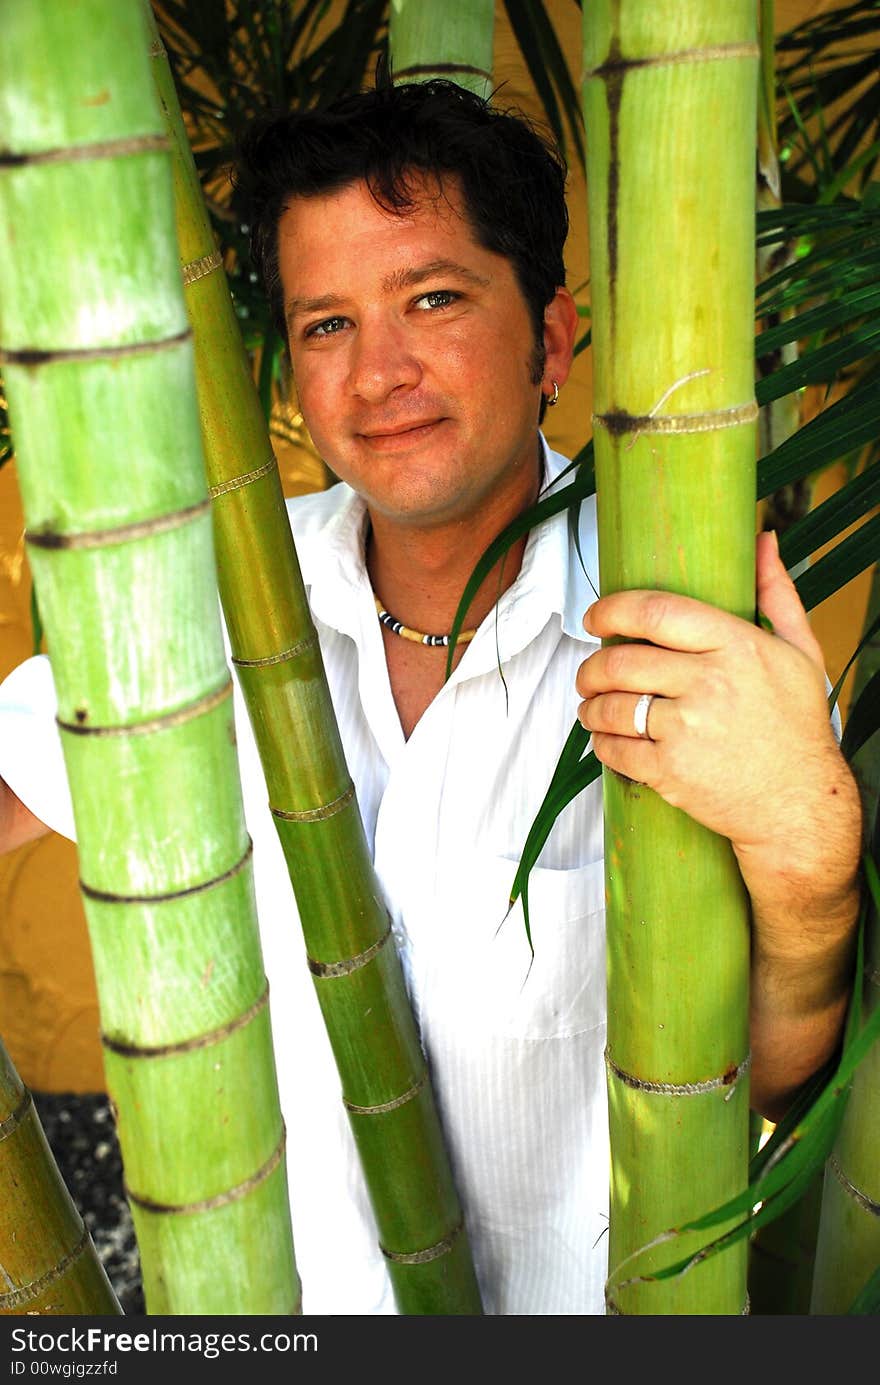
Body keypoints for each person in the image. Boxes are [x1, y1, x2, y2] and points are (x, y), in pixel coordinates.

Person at [0, 78, 862, 1315]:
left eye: (434, 299)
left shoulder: (683, 625)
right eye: (326, 324)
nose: (379, 372)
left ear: (551, 340)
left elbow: (782, 1077)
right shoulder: (218, 593)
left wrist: (807, 844)